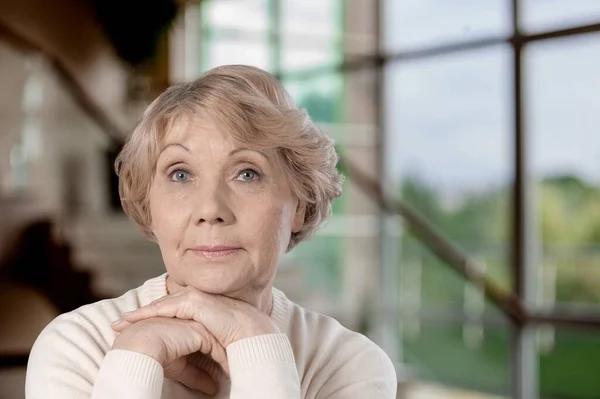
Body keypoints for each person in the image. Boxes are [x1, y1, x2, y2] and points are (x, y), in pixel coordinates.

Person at [25, 65, 397, 398]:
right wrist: (135, 355)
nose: (210, 210)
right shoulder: (76, 346)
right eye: (180, 174)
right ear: (150, 206)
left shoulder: (350, 365)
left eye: (247, 173)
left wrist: (253, 339)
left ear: (299, 204)